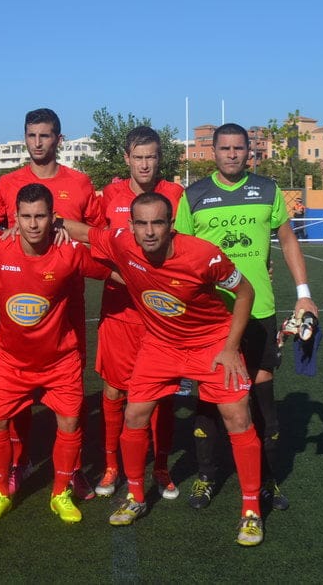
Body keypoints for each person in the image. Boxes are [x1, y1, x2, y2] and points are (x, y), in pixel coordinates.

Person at [63, 193, 265, 546]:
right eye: (142, 223)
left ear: (172, 227)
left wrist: (232, 348)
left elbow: (245, 292)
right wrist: (38, 223)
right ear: (131, 227)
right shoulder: (120, 242)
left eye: (158, 223)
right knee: (135, 414)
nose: (150, 231)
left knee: (237, 418)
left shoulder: (204, 255)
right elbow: (81, 232)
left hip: (211, 343)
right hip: (161, 344)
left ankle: (251, 512)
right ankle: (137, 497)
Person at [175, 123, 320, 513]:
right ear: (214, 152)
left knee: (262, 404)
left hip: (260, 312)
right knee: (207, 402)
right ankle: (207, 476)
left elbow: (288, 241)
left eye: (240, 148)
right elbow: (181, 256)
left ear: (249, 151)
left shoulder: (268, 190)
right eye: (225, 148)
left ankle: (266, 479)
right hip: (209, 316)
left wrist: (304, 295)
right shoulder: (194, 196)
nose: (233, 154)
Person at [0, 108, 106, 498]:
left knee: (71, 397)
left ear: (59, 140)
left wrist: (67, 228)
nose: (37, 142)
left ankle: (73, 470)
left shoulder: (81, 184)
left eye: (45, 135)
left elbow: (99, 237)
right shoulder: (7, 184)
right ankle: (20, 462)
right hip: (22, 302)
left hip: (68, 306)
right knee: (14, 398)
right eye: (31, 135)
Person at [92, 126, 184, 500]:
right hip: (119, 312)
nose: (145, 164)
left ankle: (160, 466)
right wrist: (131, 278)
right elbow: (96, 252)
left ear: (159, 158)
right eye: (138, 157)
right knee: (114, 390)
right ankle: (112, 464)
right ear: (126, 159)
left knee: (160, 393)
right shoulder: (110, 197)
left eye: (152, 157)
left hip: (161, 316)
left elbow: (188, 248)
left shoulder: (176, 195)